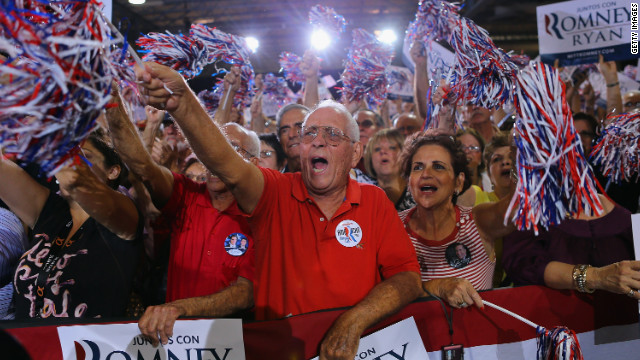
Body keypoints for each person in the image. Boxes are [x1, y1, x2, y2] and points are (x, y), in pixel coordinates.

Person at [135, 62, 422, 360]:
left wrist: (353, 320)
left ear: (356, 154)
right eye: (309, 134)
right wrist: (183, 103)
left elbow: (407, 278)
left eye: (333, 135)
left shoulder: (374, 201)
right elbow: (224, 161)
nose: (319, 140)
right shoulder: (274, 192)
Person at [106, 89, 256, 316]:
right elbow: (140, 163)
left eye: (232, 149)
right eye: (213, 149)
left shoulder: (261, 213)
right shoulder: (186, 196)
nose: (218, 158)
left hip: (233, 344)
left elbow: (246, 292)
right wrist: (111, 98)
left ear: (253, 162)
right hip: (176, 342)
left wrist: (182, 308)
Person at [0, 133, 141, 319]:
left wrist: (49, 125)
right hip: (31, 345)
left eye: (84, 156)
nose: (72, 162)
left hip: (87, 346)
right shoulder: (51, 211)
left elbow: (77, 180)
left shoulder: (123, 214)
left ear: (112, 171)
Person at [397, 134, 515, 309]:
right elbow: (380, 289)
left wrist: (525, 153)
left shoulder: (478, 221)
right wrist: (436, 287)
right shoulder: (394, 226)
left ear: (458, 182)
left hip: (477, 334)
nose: (426, 174)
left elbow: (519, 208)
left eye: (438, 167)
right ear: (409, 182)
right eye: (417, 167)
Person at [502, 194, 640, 301]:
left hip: (622, 330)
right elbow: (526, 265)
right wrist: (596, 276)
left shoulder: (625, 221)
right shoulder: (530, 217)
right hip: (553, 329)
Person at [363, 129, 415, 211]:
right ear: (370, 158)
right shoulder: (364, 195)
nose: (383, 151)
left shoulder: (417, 191)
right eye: (377, 149)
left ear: (404, 154)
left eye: (392, 148)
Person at [482, 133, 516, 202]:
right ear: (489, 174)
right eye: (497, 159)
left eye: (511, 157)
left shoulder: (536, 200)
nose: (505, 162)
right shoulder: (477, 198)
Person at [276, 103, 309, 172]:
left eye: (300, 127)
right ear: (279, 139)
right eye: (285, 130)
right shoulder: (276, 181)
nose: (291, 135)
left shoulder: (332, 176)